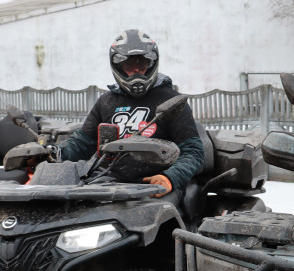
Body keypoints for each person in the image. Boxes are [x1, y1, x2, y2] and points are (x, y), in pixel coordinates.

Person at [57, 29, 203, 200]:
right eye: (129, 65)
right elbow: (83, 143)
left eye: (141, 64)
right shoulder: (106, 101)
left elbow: (193, 152)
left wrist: (170, 177)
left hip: (156, 185)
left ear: (151, 64)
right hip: (110, 182)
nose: (136, 71)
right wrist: (56, 153)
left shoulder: (171, 101)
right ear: (118, 67)